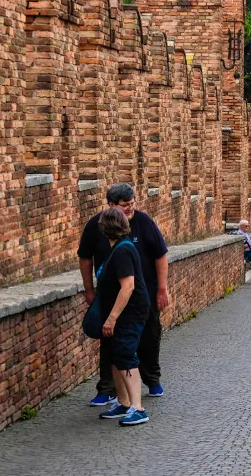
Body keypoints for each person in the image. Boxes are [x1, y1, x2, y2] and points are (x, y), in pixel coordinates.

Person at [79, 183, 169, 405]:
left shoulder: (142, 224)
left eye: (132, 204)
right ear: (110, 205)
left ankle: (149, 383)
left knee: (148, 336)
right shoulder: (96, 226)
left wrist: (162, 288)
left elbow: (160, 255)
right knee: (111, 344)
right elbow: (85, 257)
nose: (130, 209)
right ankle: (109, 390)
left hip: (142, 295)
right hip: (110, 296)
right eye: (125, 206)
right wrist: (89, 289)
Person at [94, 207, 152, 426]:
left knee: (126, 353)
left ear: (105, 228)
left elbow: (128, 287)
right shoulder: (117, 249)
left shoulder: (123, 251)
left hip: (129, 312)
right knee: (115, 355)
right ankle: (124, 402)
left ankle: (138, 408)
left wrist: (112, 318)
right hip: (120, 313)